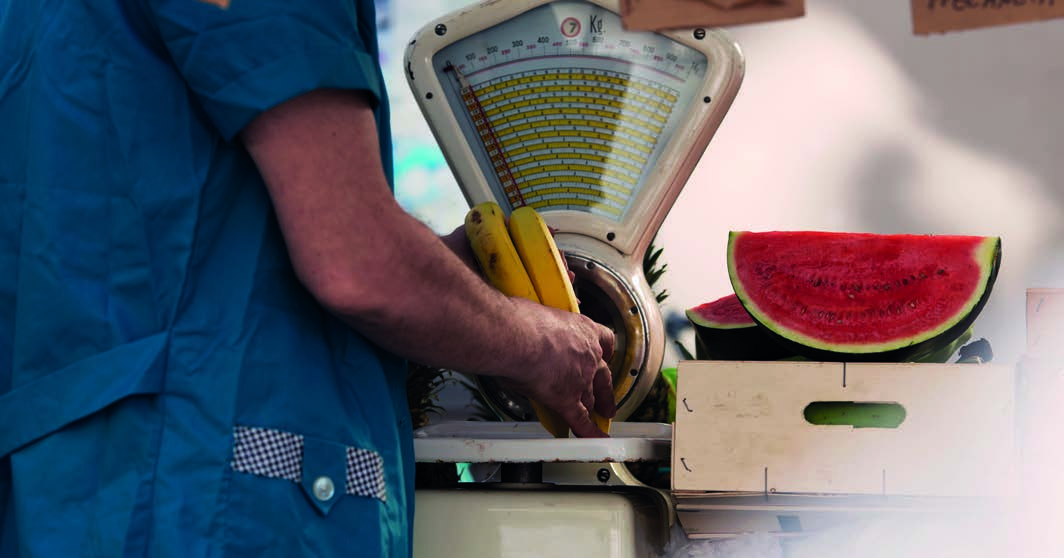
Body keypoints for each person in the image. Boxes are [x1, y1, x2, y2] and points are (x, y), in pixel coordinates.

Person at [0, 1, 616, 557]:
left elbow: (165, 225)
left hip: (74, 487)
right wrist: (537, 346)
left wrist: (448, 282)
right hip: (207, 489)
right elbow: (357, 265)